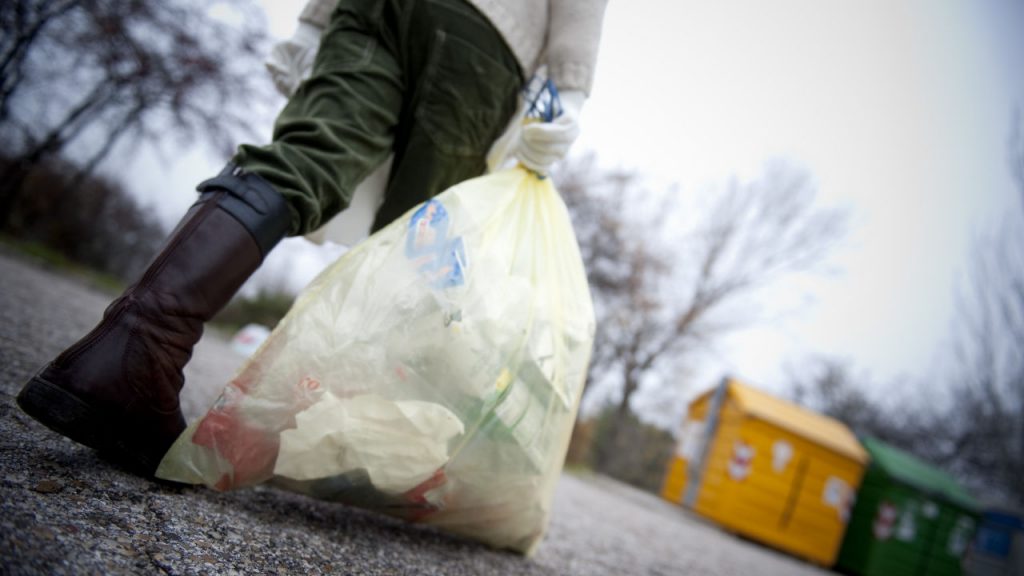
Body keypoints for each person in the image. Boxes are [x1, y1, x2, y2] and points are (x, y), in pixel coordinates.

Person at [16, 0, 607, 477]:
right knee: (423, 235)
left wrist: (314, 20)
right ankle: (346, 445)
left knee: (306, 154)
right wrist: (570, 83)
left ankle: (136, 346)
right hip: (485, 27)